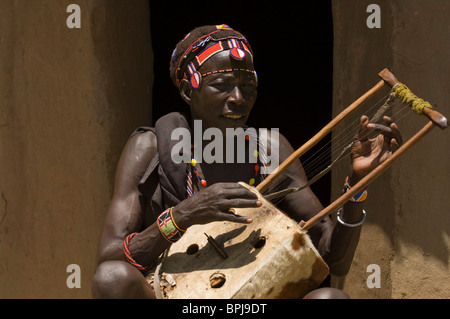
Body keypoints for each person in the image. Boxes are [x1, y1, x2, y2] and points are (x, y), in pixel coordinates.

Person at [92, 24, 402, 299]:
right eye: (222, 85)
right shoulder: (149, 147)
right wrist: (185, 213)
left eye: (248, 86)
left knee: (329, 298)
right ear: (188, 91)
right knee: (112, 279)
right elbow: (111, 257)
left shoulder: (269, 149)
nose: (239, 98)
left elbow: (333, 259)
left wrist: (357, 189)